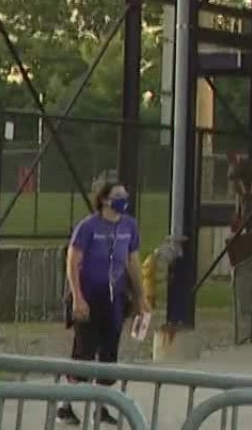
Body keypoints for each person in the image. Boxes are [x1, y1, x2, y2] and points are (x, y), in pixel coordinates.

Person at [60, 180, 148, 424]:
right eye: (118, 195)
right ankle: (65, 404)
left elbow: (133, 262)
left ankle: (103, 406)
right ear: (105, 199)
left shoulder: (129, 226)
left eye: (125, 195)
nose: (124, 200)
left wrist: (141, 296)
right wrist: (77, 296)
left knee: (109, 353)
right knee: (84, 350)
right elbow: (73, 262)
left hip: (115, 296)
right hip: (90, 294)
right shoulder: (89, 227)